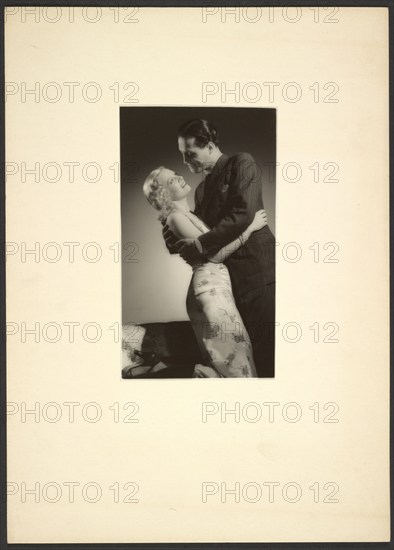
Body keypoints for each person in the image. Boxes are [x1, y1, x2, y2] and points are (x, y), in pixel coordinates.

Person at [163, 119, 276, 377]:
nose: (185, 161)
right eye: (182, 155)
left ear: (211, 146)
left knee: (268, 351)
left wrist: (200, 245)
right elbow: (200, 228)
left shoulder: (242, 162)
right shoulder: (202, 190)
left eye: (190, 154)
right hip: (228, 281)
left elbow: (243, 214)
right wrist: (173, 235)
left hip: (259, 272)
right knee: (248, 356)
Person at [143, 166, 268, 378]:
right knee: (235, 360)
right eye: (172, 180)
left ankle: (197, 374)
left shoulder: (187, 215)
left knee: (237, 354)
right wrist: (250, 228)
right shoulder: (175, 219)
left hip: (216, 287)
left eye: (176, 174)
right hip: (210, 290)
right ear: (163, 193)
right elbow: (216, 256)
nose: (180, 177)